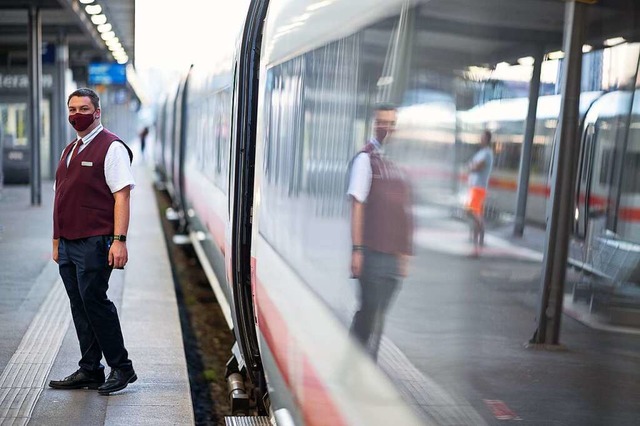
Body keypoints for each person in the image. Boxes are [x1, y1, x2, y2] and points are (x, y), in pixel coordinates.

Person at [48, 88, 137, 395]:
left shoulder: (111, 147)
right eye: (72, 108)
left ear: (97, 112)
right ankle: (90, 369)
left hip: (96, 240)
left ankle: (122, 367)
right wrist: (57, 240)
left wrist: (119, 241)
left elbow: (122, 195)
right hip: (70, 243)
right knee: (79, 304)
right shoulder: (69, 149)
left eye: (83, 109)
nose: (76, 114)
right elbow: (61, 196)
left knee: (95, 301)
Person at [347, 103, 413, 360]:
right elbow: (357, 204)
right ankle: (357, 363)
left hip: (392, 256)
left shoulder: (396, 163)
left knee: (378, 313)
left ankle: (360, 363)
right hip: (372, 253)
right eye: (382, 122)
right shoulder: (365, 159)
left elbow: (404, 208)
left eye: (391, 123)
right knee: (369, 310)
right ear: (374, 124)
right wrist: (357, 250)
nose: (387, 127)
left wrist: (405, 253)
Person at [465, 129, 494, 256]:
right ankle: (478, 242)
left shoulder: (487, 153)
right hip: (474, 187)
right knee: (473, 213)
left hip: (478, 188)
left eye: (482, 137)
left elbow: (476, 167)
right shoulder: (482, 152)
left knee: (472, 212)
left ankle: (478, 244)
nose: (480, 139)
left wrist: (472, 166)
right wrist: (472, 166)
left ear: (487, 139)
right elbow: (472, 166)